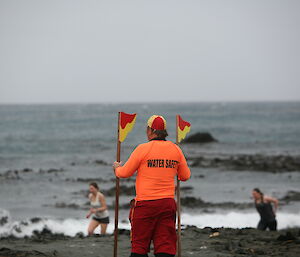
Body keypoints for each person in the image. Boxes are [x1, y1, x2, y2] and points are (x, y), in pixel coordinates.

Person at [113, 115, 191, 257]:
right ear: (164, 131)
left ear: (150, 130)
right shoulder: (176, 149)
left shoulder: (142, 149)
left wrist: (117, 168)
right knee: (165, 246)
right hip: (167, 204)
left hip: (145, 205)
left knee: (139, 246)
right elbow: (185, 176)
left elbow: (124, 173)